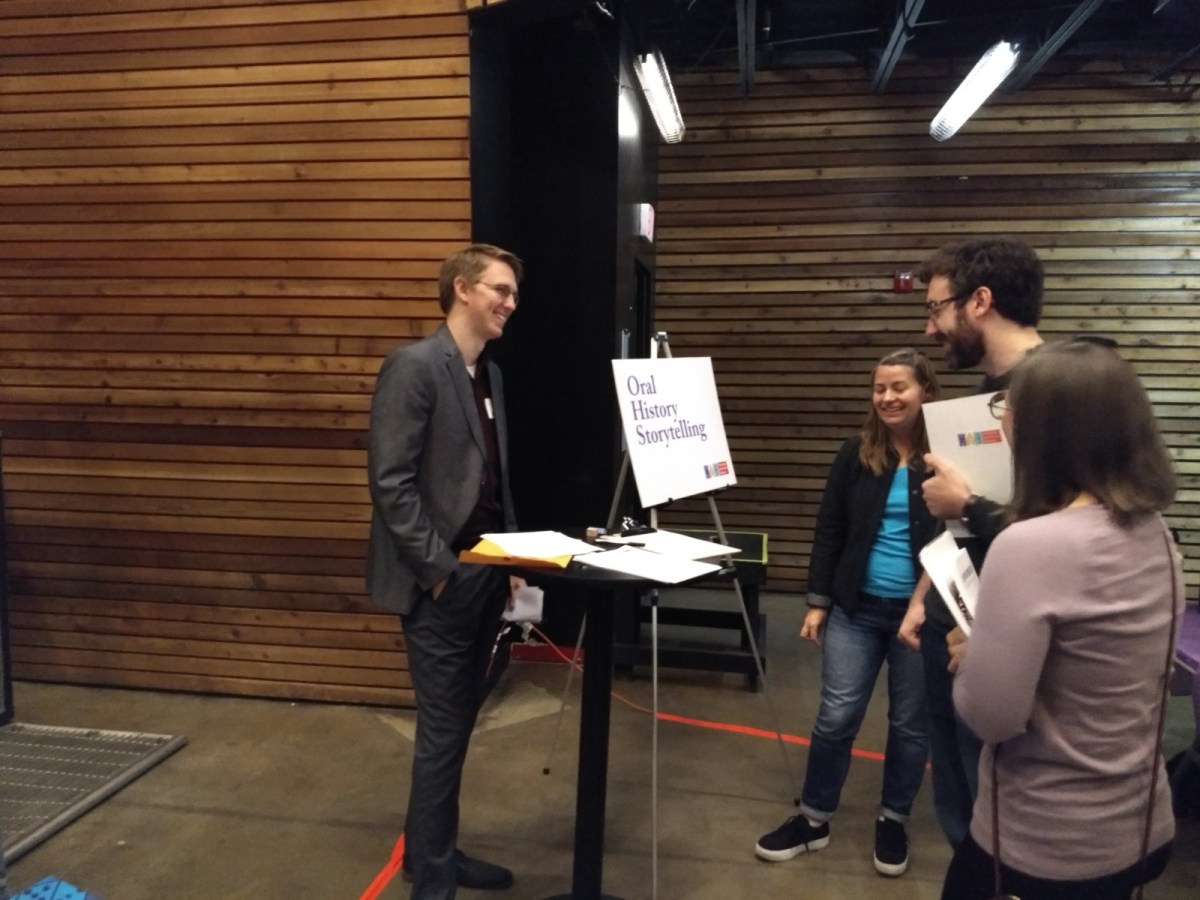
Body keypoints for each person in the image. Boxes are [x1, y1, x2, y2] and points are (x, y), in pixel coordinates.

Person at [941, 339, 1180, 899]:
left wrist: (974, 652)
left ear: (1041, 432)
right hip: (1139, 826)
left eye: (1009, 412)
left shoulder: (1031, 546)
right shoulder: (1155, 534)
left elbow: (991, 717)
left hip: (1045, 845)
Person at [366, 244, 525, 899]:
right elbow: (390, 481)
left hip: (485, 574)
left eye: (514, 294)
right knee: (442, 731)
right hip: (440, 583)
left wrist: (511, 558)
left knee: (456, 728)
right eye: (501, 290)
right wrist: (438, 572)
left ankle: (434, 853)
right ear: (462, 289)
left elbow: (495, 479)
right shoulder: (414, 367)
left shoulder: (487, 375)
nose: (511, 304)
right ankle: (431, 881)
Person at [755, 348, 941, 877]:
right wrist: (817, 601)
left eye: (899, 387)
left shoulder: (948, 459)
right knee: (836, 718)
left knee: (909, 725)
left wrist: (930, 607)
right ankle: (813, 818)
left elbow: (962, 538)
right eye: (879, 388)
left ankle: (893, 819)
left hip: (921, 616)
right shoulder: (856, 454)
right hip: (855, 609)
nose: (886, 397)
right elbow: (830, 528)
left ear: (926, 390)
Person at [897, 236, 1044, 849]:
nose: (932, 328)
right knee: (958, 801)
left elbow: (1064, 540)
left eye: (937, 309)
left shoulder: (1053, 395)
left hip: (994, 641)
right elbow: (962, 530)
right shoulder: (982, 398)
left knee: (995, 814)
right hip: (947, 622)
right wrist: (925, 598)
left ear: (979, 301)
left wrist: (969, 506)